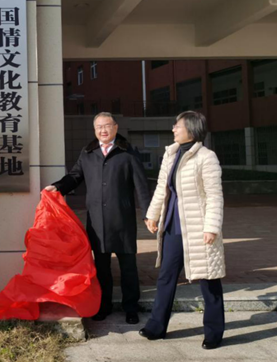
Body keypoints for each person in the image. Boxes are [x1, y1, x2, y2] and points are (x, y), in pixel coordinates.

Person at [44, 112, 150, 324]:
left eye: (107, 125)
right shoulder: (88, 153)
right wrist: (58, 187)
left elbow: (141, 185)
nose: (103, 130)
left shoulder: (127, 152)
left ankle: (131, 307)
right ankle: (104, 305)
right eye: (99, 127)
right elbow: (75, 176)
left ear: (115, 127)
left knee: (128, 267)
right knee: (101, 268)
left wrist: (148, 214)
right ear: (94, 130)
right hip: (97, 221)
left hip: (122, 220)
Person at [140, 111, 225, 350]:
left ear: (192, 129)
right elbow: (162, 188)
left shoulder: (206, 157)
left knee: (208, 280)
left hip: (199, 228)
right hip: (173, 227)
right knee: (166, 276)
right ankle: (156, 326)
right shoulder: (171, 153)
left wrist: (212, 227)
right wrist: (152, 214)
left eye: (177, 126)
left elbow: (214, 195)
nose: (173, 129)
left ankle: (214, 333)